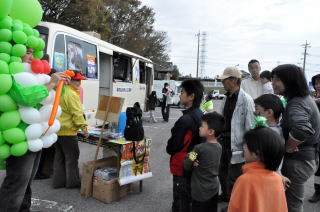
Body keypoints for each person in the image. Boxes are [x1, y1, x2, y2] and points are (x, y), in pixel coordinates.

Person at [0, 48, 70, 212]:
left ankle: (24, 209)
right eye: (28, 52)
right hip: (19, 139)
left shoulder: (35, 77)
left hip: (35, 137)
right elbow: (25, 98)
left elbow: (46, 100)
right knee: (16, 183)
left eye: (33, 53)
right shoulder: (9, 75)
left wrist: (59, 84)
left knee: (27, 182)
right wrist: (51, 83)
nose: (33, 57)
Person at [272, 64, 320, 212]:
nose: (273, 82)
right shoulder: (304, 99)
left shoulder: (297, 102)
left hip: (298, 161)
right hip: (305, 157)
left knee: (292, 204)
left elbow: (302, 129)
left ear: (290, 80)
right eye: (272, 78)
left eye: (277, 79)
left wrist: (289, 146)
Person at [228, 125, 288, 212]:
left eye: (245, 147)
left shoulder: (244, 180)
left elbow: (235, 208)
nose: (243, 148)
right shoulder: (277, 179)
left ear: (257, 154)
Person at [217, 67, 255, 202]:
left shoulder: (246, 99)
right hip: (224, 141)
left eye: (224, 80)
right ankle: (226, 195)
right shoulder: (226, 97)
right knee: (222, 172)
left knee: (234, 176)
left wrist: (248, 147)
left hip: (238, 145)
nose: (222, 83)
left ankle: (234, 203)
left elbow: (250, 125)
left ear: (233, 80)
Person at [166, 79, 204, 212]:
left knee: (180, 200)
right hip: (194, 162)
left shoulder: (185, 120)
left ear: (192, 96)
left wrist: (170, 147)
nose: (180, 95)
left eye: (182, 92)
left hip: (182, 165)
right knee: (188, 198)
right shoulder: (200, 115)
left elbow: (172, 146)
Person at [52, 71, 88, 189]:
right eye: (76, 80)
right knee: (71, 158)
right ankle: (72, 182)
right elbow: (77, 113)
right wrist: (84, 128)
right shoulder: (71, 94)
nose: (79, 83)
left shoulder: (59, 90)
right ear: (69, 80)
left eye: (80, 80)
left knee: (59, 157)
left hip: (56, 130)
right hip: (68, 131)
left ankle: (58, 182)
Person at [184, 112, 224, 212]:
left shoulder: (198, 148)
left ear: (210, 132)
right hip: (214, 188)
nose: (199, 128)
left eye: (202, 126)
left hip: (200, 191)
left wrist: (189, 156)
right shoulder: (219, 147)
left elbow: (187, 165)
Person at [308, 74, 320, 203]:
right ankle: (317, 191)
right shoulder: (312, 97)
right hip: (315, 136)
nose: (318, 85)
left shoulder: (314, 99)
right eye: (316, 83)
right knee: (317, 166)